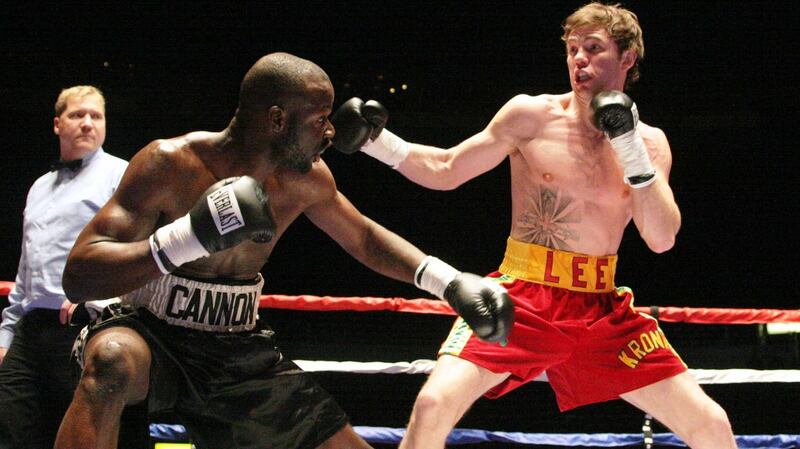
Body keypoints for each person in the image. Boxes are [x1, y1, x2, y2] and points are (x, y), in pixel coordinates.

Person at [53, 52, 513, 449]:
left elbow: (365, 238)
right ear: (277, 120)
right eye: (319, 119)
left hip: (237, 346)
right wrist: (187, 238)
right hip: (151, 335)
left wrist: (450, 282)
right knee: (112, 359)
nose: (330, 131)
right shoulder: (171, 163)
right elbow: (79, 274)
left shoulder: (304, 179)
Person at [330, 3, 737, 449]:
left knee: (710, 424)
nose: (579, 60)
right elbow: (446, 168)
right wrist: (377, 143)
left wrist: (628, 145)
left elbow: (661, 238)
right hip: (522, 298)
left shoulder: (651, 144)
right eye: (572, 49)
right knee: (432, 404)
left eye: (593, 48)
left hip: (601, 309)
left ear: (627, 57)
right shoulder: (532, 116)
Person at [0, 86, 142, 449]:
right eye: (78, 115)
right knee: (12, 434)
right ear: (57, 124)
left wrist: (103, 300)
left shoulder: (123, 175)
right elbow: (27, 268)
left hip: (88, 325)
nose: (87, 123)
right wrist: (6, 336)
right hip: (30, 333)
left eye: (96, 116)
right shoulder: (38, 187)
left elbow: (142, 251)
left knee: (84, 439)